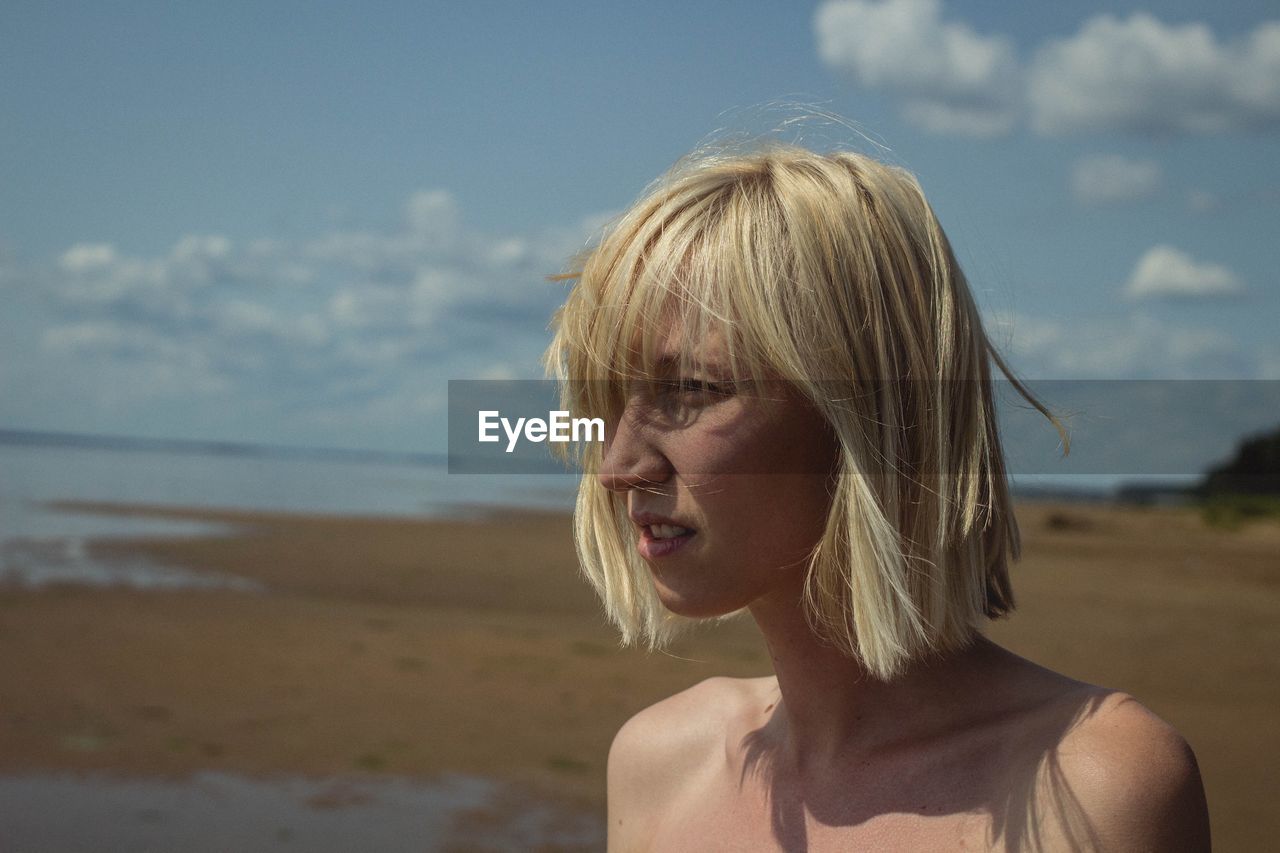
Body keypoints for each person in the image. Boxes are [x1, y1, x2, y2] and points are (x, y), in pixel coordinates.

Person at [544, 141, 1210, 851]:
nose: (618, 465)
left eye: (694, 390)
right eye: (614, 398)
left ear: (870, 416)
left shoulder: (1092, 787)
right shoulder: (659, 764)